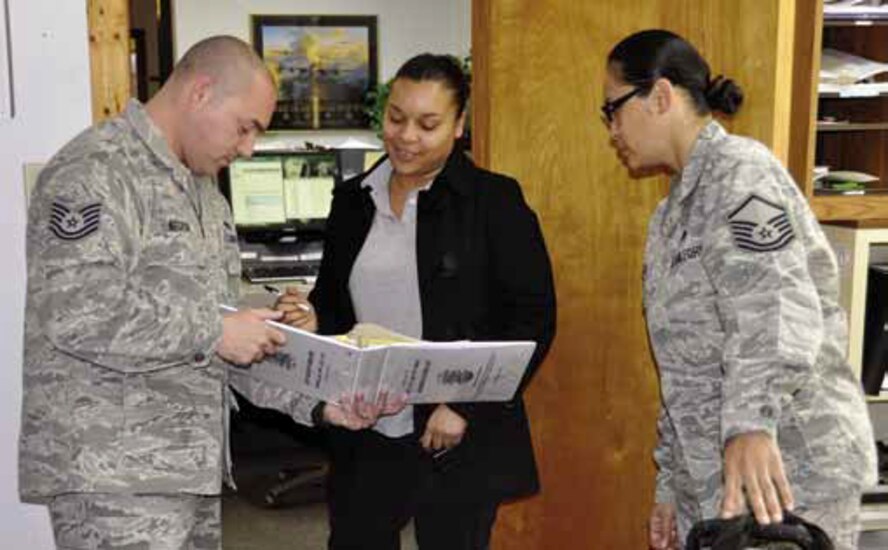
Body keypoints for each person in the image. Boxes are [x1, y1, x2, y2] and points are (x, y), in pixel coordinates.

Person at [16, 35, 366, 550]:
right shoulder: (95, 171)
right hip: (112, 478)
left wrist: (317, 402)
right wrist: (219, 330)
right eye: (245, 127)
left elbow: (220, 341)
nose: (247, 148)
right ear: (200, 92)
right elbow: (74, 312)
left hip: (190, 474)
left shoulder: (205, 193)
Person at [600, 29, 877, 550]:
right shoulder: (669, 217)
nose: (611, 128)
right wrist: (670, 485)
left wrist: (751, 423)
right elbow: (682, 369)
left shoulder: (741, 175)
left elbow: (773, 306)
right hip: (715, 482)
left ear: (660, 96)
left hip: (787, 473)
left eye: (611, 108)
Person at [277, 53, 556, 550]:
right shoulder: (353, 199)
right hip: (367, 422)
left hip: (454, 429)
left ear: (458, 126)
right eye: (396, 118)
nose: (406, 136)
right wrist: (312, 314)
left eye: (428, 125)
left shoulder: (493, 202)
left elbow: (532, 318)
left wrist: (466, 406)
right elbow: (336, 301)